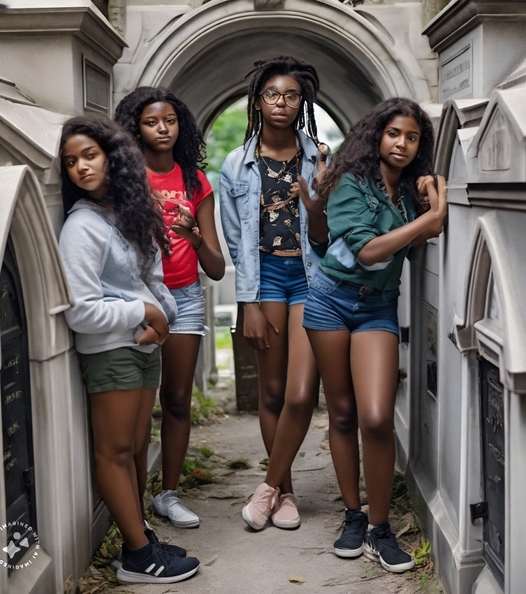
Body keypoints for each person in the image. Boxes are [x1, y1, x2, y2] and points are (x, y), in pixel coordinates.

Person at [303, 98, 447, 572]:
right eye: (394, 134)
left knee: (378, 416)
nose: (402, 144)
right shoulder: (349, 183)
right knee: (342, 413)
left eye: (412, 137)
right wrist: (425, 221)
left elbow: (414, 234)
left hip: (377, 309)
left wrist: (425, 197)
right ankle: (353, 515)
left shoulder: (408, 191)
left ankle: (379, 530)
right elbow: (365, 252)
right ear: (376, 137)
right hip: (329, 301)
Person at [58, 115, 200, 584]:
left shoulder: (128, 215)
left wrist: (164, 319)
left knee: (138, 450)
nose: (80, 167)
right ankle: (139, 557)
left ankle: (137, 539)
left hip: (142, 347)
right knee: (116, 453)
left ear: (114, 158)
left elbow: (153, 282)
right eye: (71, 161)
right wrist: (144, 313)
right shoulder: (81, 226)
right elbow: (80, 311)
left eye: (90, 156)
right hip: (111, 351)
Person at [219, 55, 329, 531]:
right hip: (264, 281)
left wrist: (320, 198)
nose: (281, 103)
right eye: (272, 95)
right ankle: (284, 494)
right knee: (274, 391)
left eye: (290, 95)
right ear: (258, 101)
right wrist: (248, 303)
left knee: (302, 395)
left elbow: (328, 233)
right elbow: (235, 241)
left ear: (301, 101)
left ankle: (265, 486)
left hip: (310, 279)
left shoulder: (320, 157)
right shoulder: (235, 164)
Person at [115, 87, 225, 529]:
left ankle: (168, 494)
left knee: (177, 399)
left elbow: (216, 267)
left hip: (185, 297)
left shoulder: (196, 183)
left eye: (170, 121)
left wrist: (194, 237)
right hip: (138, 297)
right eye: (151, 122)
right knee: (141, 404)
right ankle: (135, 495)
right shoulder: (127, 179)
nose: (162, 129)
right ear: (135, 130)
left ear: (181, 126)